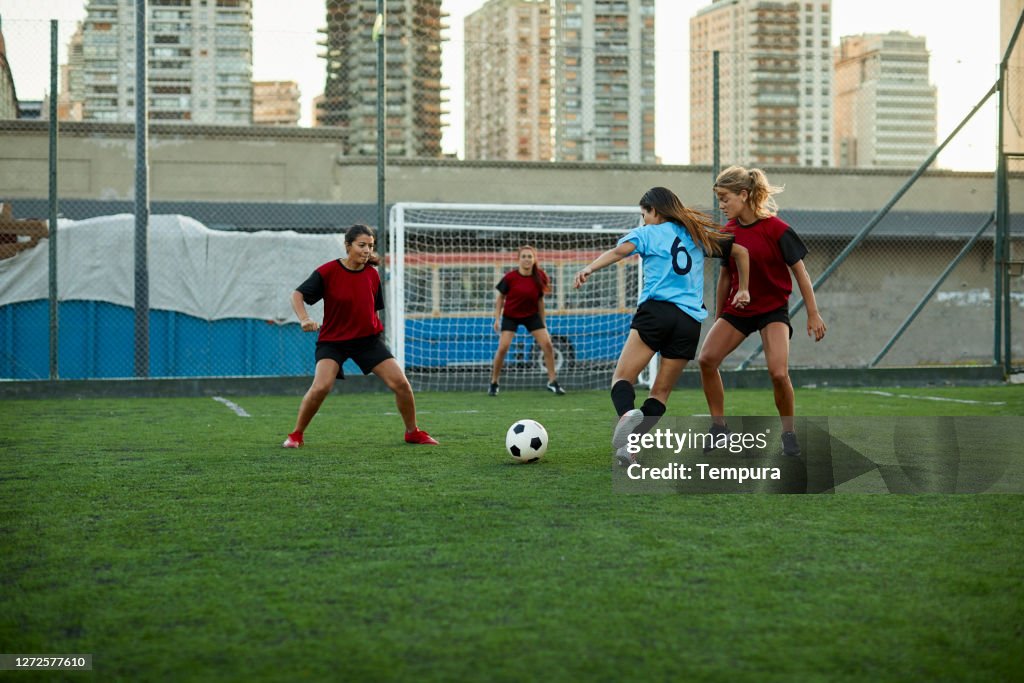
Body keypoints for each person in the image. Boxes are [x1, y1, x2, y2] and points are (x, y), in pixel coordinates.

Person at [573, 187, 750, 465]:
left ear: (655, 211)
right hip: (689, 322)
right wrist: (744, 289)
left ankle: (626, 417)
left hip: (657, 313)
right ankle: (630, 448)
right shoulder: (695, 234)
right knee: (660, 393)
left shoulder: (647, 234)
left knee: (622, 379)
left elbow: (619, 251)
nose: (644, 221)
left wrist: (588, 269)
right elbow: (740, 252)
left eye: (645, 215)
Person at [698, 166, 827, 457]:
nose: (721, 205)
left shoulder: (777, 230)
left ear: (744, 195)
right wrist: (721, 316)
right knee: (706, 359)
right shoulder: (727, 233)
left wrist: (813, 313)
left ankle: (789, 435)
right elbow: (726, 276)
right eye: (718, 199)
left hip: (772, 310)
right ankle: (719, 429)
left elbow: (801, 273)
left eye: (724, 198)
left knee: (778, 374)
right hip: (738, 310)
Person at [282, 224, 438, 448]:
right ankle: (296, 435)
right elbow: (297, 295)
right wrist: (304, 318)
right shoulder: (328, 272)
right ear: (348, 246)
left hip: (367, 341)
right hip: (333, 341)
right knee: (321, 387)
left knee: (402, 384)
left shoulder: (372, 275)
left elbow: (373, 309)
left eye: (370, 246)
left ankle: (412, 432)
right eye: (362, 245)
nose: (367, 250)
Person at [488, 245, 567, 396]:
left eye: (530, 256)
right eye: (524, 256)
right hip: (511, 316)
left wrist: (543, 322)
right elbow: (500, 299)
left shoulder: (540, 276)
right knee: (503, 348)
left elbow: (540, 301)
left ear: (534, 259)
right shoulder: (510, 277)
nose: (527, 259)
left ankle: (552, 382)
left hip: (532, 316)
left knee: (548, 345)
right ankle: (494, 383)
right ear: (519, 259)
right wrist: (497, 319)